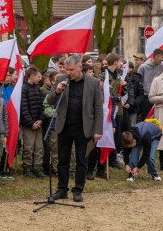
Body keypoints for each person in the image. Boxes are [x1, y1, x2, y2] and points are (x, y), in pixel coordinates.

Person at [46, 57, 104, 202]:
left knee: (81, 161)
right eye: (66, 69)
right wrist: (57, 91)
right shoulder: (61, 79)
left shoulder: (93, 82)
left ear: (80, 68)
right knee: (62, 160)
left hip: (83, 127)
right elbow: (49, 100)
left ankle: (78, 190)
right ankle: (62, 189)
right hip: (64, 126)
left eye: (71, 70)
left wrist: (98, 130)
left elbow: (98, 107)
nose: (68, 72)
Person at [19, 66, 46, 178]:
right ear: (32, 76)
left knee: (39, 147)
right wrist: (31, 123)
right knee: (29, 147)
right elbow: (24, 108)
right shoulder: (24, 89)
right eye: (38, 76)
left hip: (38, 123)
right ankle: (27, 167)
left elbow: (42, 106)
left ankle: (37, 167)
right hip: (28, 125)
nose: (40, 79)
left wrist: (41, 119)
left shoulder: (37, 89)